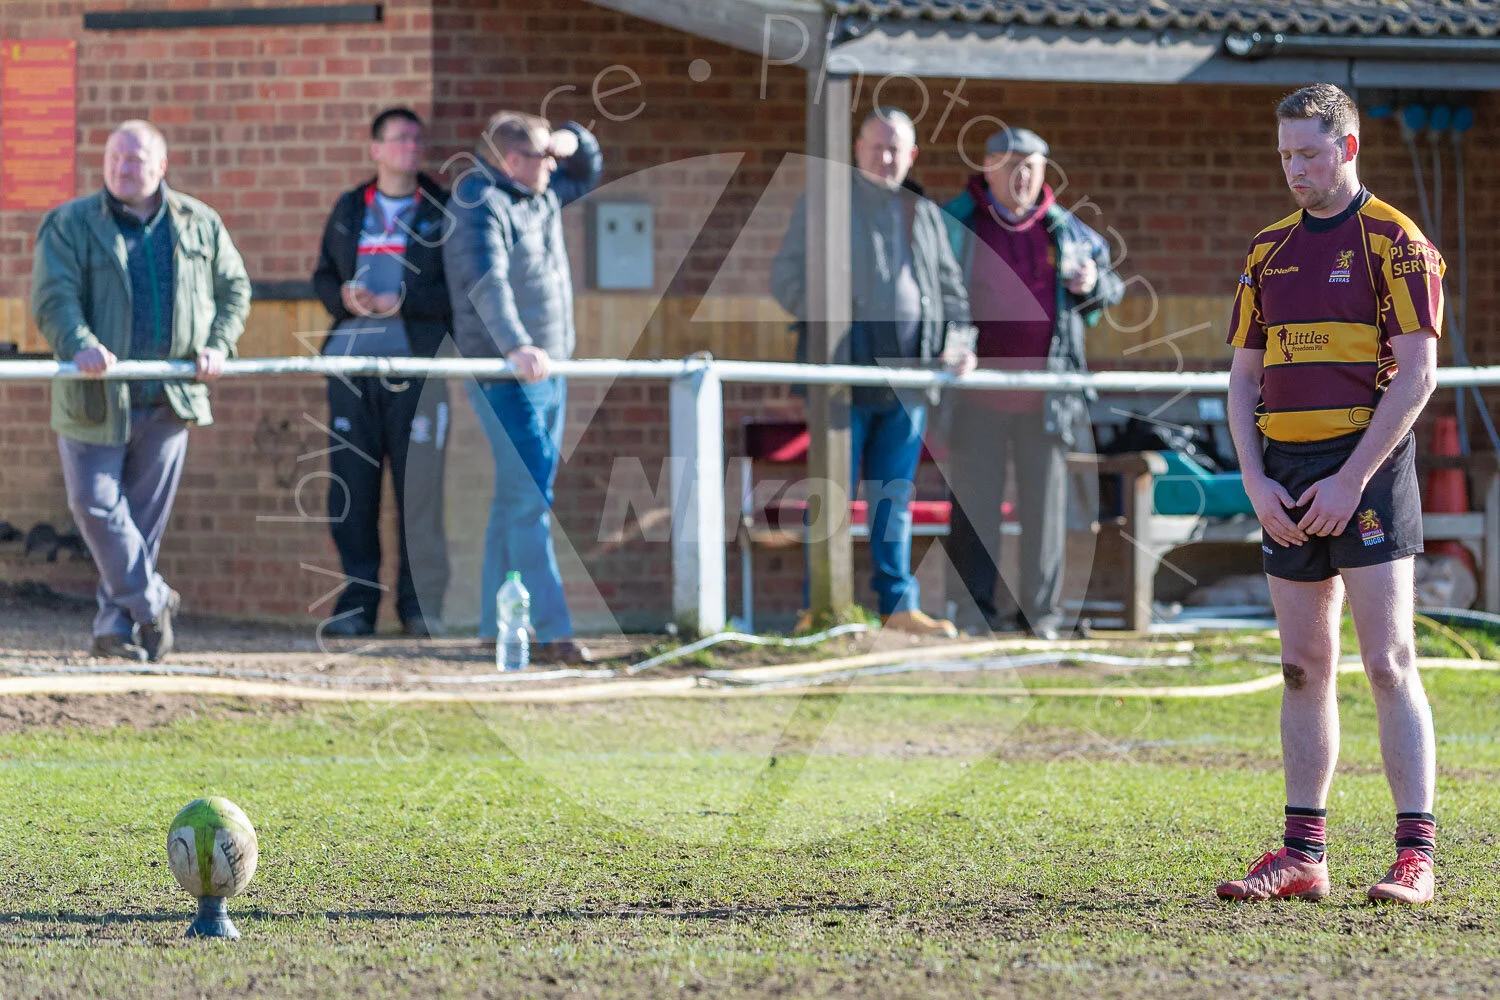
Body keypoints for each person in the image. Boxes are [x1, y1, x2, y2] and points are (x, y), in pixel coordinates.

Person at [1216, 84, 1444, 905]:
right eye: (1285, 155)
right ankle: (1303, 856)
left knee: (1388, 661)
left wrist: (1352, 479)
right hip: (1285, 475)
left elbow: (1417, 375)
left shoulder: (1397, 241)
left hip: (1367, 470)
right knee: (1301, 667)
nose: (1295, 169)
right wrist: (1254, 480)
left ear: (1347, 147)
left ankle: (1415, 857)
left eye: (1308, 154)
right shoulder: (1266, 250)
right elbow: (1242, 381)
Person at [29, 120, 251, 662]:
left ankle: (114, 630)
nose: (122, 169)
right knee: (94, 504)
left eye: (134, 159)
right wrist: (79, 343)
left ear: (162, 165)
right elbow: (53, 297)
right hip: (94, 397)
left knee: (142, 525)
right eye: (114, 158)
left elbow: (235, 290)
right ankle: (152, 600)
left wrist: (219, 344)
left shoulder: (199, 222)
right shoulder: (70, 223)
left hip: (170, 397)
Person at [770, 107, 978, 638]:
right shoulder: (825, 207)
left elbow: (952, 293)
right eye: (876, 146)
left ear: (911, 156)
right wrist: (828, 319)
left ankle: (897, 607)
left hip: (910, 382)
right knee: (831, 494)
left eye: (895, 149)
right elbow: (785, 277)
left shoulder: (924, 213)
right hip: (840, 380)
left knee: (894, 497)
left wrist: (959, 345)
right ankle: (821, 609)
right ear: (857, 150)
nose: (885, 157)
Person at [941, 127, 1124, 640]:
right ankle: (974, 615)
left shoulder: (1066, 228)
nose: (1021, 176)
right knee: (974, 508)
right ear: (988, 167)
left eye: (1031, 167)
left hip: (1048, 395)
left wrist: (1092, 284)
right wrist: (947, 343)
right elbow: (931, 291)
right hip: (975, 392)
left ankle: (1040, 618)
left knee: (1045, 511)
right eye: (1011, 165)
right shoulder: (957, 222)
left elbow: (1111, 287)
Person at [443, 111, 601, 664]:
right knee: (531, 498)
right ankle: (554, 630)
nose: (553, 166)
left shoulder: (541, 193)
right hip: (507, 374)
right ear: (513, 161)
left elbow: (588, 168)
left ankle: (494, 625)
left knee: (516, 496)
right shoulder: (478, 202)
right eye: (543, 156)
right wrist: (514, 345)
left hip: (549, 370)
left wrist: (571, 137)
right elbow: (485, 281)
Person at [312, 107, 453, 637]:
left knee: (420, 494)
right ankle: (356, 606)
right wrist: (344, 296)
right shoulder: (350, 207)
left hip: (418, 371)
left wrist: (405, 302)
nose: (410, 147)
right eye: (399, 139)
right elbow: (322, 277)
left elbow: (462, 290)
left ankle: (419, 609)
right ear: (376, 150)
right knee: (352, 493)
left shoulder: (443, 209)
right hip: (352, 370)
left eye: (417, 139)